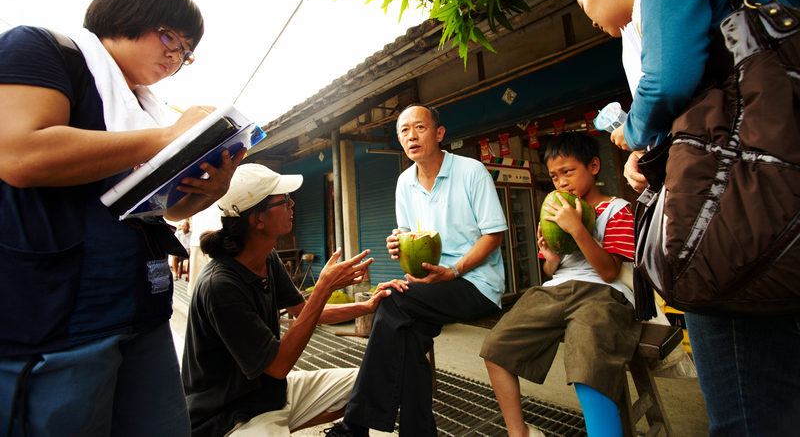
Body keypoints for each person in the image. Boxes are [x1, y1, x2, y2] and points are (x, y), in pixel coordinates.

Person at [572, 0, 800, 436]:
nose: (603, 29)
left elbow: (667, 80)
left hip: (739, 217)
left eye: (590, 13)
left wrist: (633, 133)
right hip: (776, 200)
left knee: (745, 410)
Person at [0, 0, 245, 437]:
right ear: (126, 14)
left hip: (142, 314)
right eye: (170, 37)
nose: (176, 57)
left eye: (187, 53)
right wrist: (167, 139)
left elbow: (162, 211)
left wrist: (208, 190)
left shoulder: (147, 110)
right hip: (58, 324)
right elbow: (19, 153)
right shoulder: (42, 48)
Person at [328, 103, 507, 437]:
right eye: (404, 131)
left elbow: (494, 235)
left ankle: (355, 425)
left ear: (439, 133)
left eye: (419, 128)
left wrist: (453, 271)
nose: (411, 136)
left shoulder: (471, 171)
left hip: (475, 283)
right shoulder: (403, 183)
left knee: (392, 302)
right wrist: (399, 247)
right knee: (407, 336)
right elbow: (414, 241)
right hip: (431, 287)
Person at [181, 164, 393, 437]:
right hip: (229, 416)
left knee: (370, 381)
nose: (292, 203)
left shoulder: (267, 258)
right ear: (257, 220)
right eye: (283, 200)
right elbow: (279, 365)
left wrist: (366, 306)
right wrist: (323, 287)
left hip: (272, 393)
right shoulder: (220, 286)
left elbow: (304, 311)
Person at [480, 132, 639, 437]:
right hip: (559, 289)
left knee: (588, 368)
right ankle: (520, 433)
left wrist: (578, 229)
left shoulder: (616, 209)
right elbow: (550, 269)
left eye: (568, 172)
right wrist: (551, 256)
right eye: (554, 176)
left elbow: (609, 272)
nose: (561, 183)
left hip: (603, 294)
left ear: (593, 166)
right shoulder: (556, 212)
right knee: (495, 347)